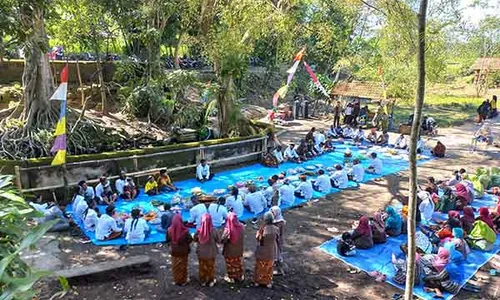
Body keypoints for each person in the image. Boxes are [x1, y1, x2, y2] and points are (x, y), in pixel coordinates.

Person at [254, 211, 279, 288]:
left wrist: (257, 232)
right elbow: (278, 238)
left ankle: (258, 282)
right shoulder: (276, 229)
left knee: (260, 267)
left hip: (262, 251)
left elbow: (258, 238)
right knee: (269, 268)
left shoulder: (263, 229)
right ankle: (268, 282)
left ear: (265, 220)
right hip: (271, 251)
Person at [194, 214, 220, 287]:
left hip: (201, 253)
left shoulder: (199, 231)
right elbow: (218, 240)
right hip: (211, 253)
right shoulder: (214, 231)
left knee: (202, 267)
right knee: (210, 267)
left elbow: (195, 239)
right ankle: (210, 281)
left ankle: (203, 281)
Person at [167, 214, 193, 286]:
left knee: (175, 266)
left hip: (174, 251)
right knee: (183, 265)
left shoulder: (169, 230)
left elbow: (167, 240)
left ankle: (176, 280)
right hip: (184, 251)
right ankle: (183, 280)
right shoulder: (185, 231)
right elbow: (190, 240)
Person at [221, 213, 245, 283]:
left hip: (229, 251)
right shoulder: (242, 227)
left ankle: (231, 278)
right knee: (238, 263)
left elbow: (223, 240)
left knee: (230, 264)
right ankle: (239, 276)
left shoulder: (228, 230)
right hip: (239, 250)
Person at [270, 206, 286, 275]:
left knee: (276, 254)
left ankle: (279, 270)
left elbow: (277, 232)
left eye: (272, 212)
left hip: (277, 239)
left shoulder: (279, 222)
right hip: (275, 239)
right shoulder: (277, 220)